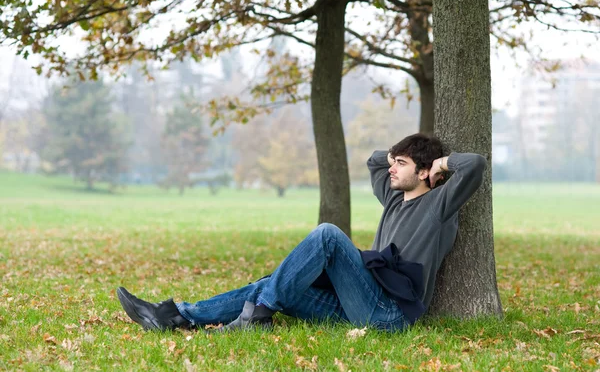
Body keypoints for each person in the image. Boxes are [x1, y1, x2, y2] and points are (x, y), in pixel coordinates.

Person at [117, 133, 486, 332]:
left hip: (388, 315)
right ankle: (174, 315)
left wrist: (441, 163)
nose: (391, 170)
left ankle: (258, 315)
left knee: (327, 234)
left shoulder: (438, 207)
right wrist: (396, 155)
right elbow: (375, 161)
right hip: (357, 304)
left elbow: (476, 165)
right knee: (277, 281)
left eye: (402, 165)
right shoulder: (394, 199)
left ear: (424, 173)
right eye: (395, 163)